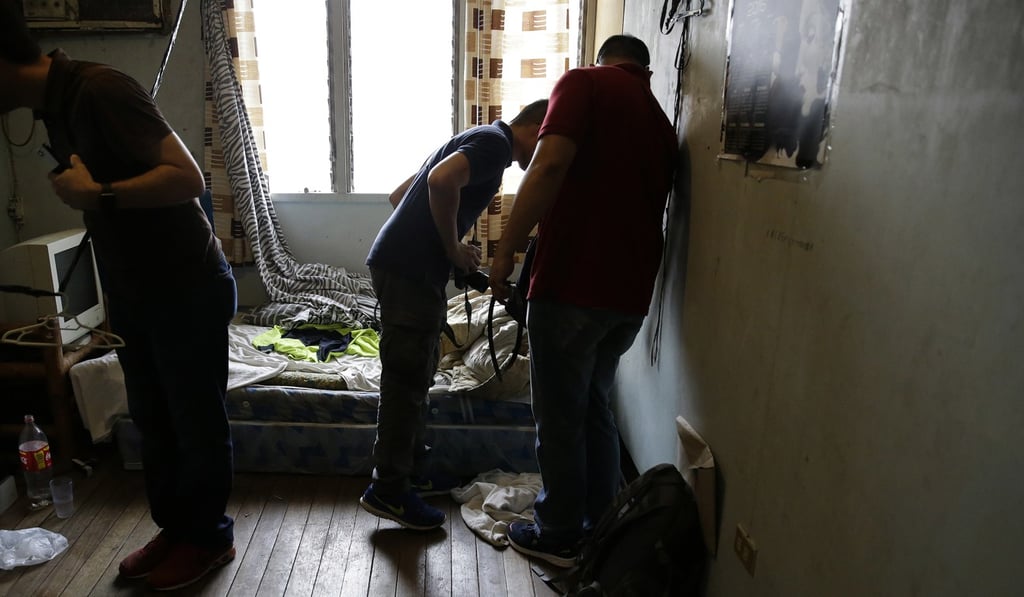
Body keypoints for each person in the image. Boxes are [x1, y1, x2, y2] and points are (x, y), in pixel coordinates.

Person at [0, 3, 238, 590]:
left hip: (186, 288)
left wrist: (98, 193)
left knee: (194, 422)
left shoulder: (100, 89)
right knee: (154, 422)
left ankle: (208, 539)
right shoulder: (52, 107)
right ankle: (175, 529)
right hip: (138, 290)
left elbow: (187, 178)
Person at [489, 34, 678, 567]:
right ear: (642, 67)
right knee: (594, 405)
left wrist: (504, 254)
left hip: (573, 284)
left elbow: (547, 168)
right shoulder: (661, 124)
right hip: (629, 298)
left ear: (603, 59)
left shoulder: (583, 84)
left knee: (558, 415)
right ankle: (600, 523)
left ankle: (559, 532)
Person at [362, 99, 548, 530]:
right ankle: (387, 489)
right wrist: (449, 247)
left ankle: (407, 473)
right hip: (409, 273)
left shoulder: (478, 138)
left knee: (418, 371)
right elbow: (441, 182)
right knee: (406, 382)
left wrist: (457, 258)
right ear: (537, 125)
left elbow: (400, 196)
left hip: (404, 267)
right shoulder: (495, 145)